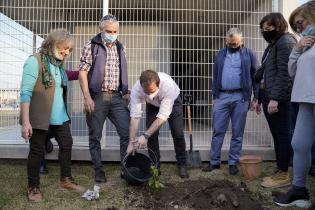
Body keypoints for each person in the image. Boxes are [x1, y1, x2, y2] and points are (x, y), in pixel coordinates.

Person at [20, 29, 85, 202]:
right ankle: (33, 187)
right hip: (39, 116)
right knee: (37, 150)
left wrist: (84, 72)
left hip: (59, 116)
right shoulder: (35, 61)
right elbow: (25, 92)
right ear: (52, 44)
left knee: (67, 143)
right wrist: (25, 122)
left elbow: (68, 77)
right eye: (64, 48)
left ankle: (66, 179)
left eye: (70, 50)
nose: (67, 52)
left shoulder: (58, 65)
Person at [78, 14, 130, 183]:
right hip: (97, 97)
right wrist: (87, 97)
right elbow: (82, 73)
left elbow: (123, 70)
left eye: (115, 31)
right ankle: (99, 170)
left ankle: (126, 167)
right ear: (101, 30)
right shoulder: (92, 45)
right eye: (109, 31)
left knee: (126, 132)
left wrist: (126, 91)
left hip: (116, 97)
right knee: (95, 136)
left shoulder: (120, 47)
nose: (112, 33)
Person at [274, 2, 315, 208]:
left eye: (301, 23)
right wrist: (298, 49)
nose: (298, 29)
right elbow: (292, 70)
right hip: (305, 100)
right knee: (299, 144)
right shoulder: (305, 44)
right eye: (296, 26)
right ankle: (299, 191)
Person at [202, 28, 259, 175]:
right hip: (222, 97)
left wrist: (256, 97)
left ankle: (233, 163)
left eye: (235, 44)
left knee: (237, 132)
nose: (233, 46)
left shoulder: (249, 54)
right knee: (218, 131)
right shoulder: (220, 54)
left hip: (241, 97)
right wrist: (215, 96)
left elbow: (256, 76)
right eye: (230, 44)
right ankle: (214, 162)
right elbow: (215, 75)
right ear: (226, 41)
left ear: (242, 41)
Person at [257, 13, 296, 189]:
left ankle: (284, 175)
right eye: (263, 29)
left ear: (279, 25)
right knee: (277, 134)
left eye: (268, 28)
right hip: (269, 96)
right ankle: (281, 170)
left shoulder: (285, 42)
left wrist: (275, 99)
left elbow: (285, 74)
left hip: (279, 99)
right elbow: (265, 74)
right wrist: (259, 98)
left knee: (282, 135)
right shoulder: (273, 45)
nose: (265, 31)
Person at [127, 70, 189, 178]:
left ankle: (182, 164)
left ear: (158, 84)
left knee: (177, 133)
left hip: (173, 103)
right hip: (152, 106)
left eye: (151, 91)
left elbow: (162, 117)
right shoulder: (137, 89)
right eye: (146, 92)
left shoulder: (167, 86)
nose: (149, 95)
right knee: (152, 136)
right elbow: (135, 116)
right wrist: (131, 141)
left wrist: (145, 135)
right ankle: (155, 166)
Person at [39, 70, 79, 175]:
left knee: (65, 141)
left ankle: (66, 173)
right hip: (41, 117)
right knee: (38, 140)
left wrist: (88, 70)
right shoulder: (35, 74)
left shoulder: (60, 72)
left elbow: (76, 74)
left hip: (57, 116)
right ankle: (42, 165)